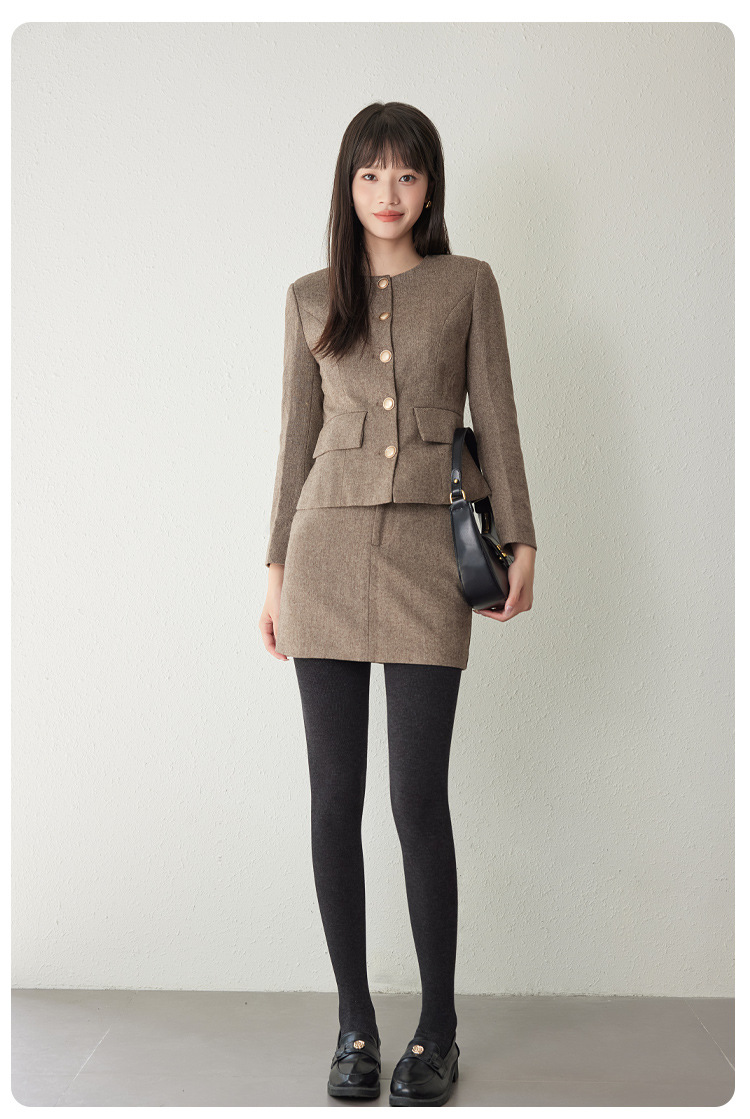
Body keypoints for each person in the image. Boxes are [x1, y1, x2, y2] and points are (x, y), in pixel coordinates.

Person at [259, 101, 537, 1106]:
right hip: (324, 553)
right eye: (371, 174)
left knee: (417, 801)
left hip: (428, 555)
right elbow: (294, 441)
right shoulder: (308, 297)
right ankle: (354, 1024)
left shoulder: (468, 285)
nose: (389, 193)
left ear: (430, 187)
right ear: (348, 185)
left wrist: (523, 538)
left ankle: (438, 1030)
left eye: (408, 175)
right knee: (334, 801)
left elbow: (496, 412)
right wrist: (274, 568)